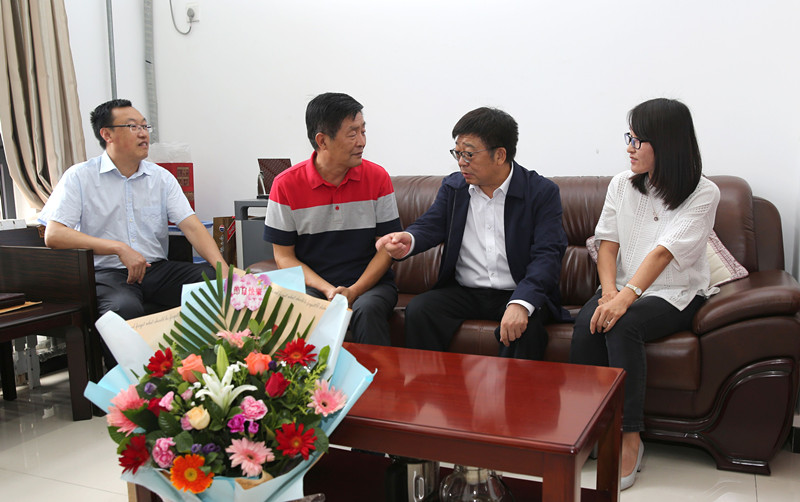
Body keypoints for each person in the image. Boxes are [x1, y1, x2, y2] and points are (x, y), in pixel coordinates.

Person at [569, 98, 720, 490]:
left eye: (638, 140)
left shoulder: (704, 193)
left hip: (676, 292)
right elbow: (607, 244)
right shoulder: (622, 184)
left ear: (666, 143)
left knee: (624, 325)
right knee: (587, 324)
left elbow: (663, 253)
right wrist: (609, 293)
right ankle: (590, 429)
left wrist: (625, 300)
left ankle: (630, 438)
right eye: (629, 138)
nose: (629, 148)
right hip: (621, 286)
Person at [376, 107, 568, 359]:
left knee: (524, 329)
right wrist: (408, 239)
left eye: (468, 154)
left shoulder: (540, 192)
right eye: (457, 153)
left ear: (500, 155)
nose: (461, 162)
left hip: (517, 289)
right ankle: (429, 384)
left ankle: (514, 387)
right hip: (465, 291)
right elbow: (431, 224)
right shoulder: (454, 187)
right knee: (421, 310)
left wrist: (521, 303)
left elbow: (547, 255)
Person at [39, 98, 227, 341]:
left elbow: (192, 226)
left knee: (215, 283)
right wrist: (119, 248)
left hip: (156, 270)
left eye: (145, 126)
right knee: (124, 308)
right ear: (107, 134)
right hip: (107, 273)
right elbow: (54, 234)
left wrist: (223, 269)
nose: (143, 134)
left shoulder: (161, 178)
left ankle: (208, 360)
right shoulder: (80, 177)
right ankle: (131, 367)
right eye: (133, 127)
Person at [263, 92, 402, 345]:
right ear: (322, 140)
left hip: (370, 286)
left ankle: (375, 372)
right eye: (352, 134)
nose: (362, 142)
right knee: (305, 308)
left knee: (368, 310)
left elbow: (387, 249)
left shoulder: (378, 178)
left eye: (363, 131)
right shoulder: (285, 185)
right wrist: (328, 290)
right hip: (314, 285)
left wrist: (354, 291)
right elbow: (284, 256)